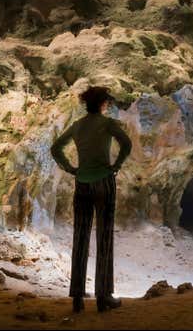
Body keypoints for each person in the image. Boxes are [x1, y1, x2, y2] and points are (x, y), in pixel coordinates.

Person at [51, 86, 132, 313]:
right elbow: (126, 144)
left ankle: (77, 296)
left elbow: (56, 148)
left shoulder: (77, 125)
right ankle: (103, 296)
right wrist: (116, 166)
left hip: (82, 182)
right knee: (104, 236)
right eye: (107, 102)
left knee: (81, 235)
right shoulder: (107, 124)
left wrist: (70, 168)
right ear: (103, 104)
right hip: (104, 182)